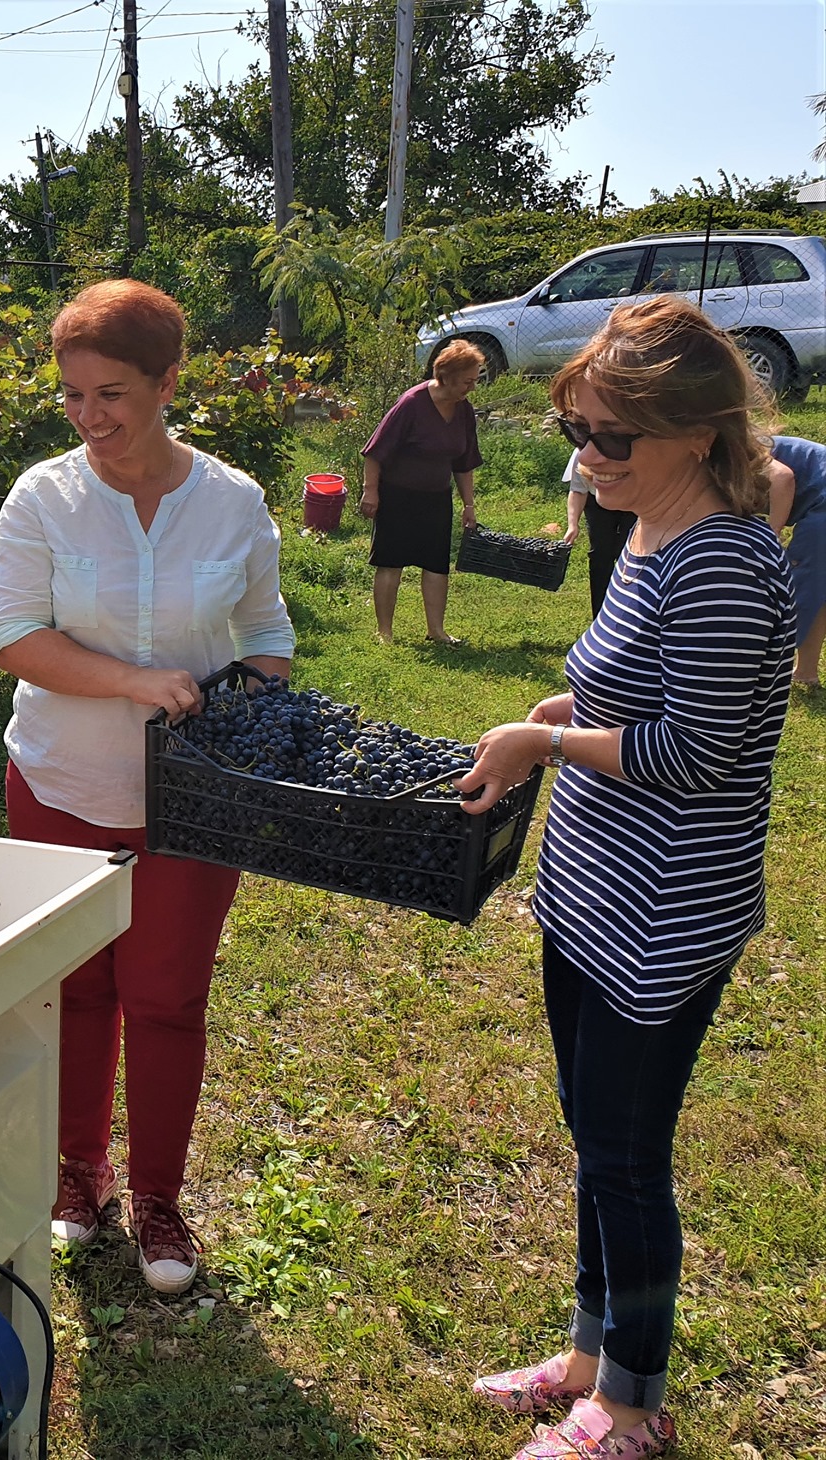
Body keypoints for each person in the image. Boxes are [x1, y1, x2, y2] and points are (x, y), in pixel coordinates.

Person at [459, 295, 794, 1460]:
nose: (586, 455)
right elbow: (640, 690)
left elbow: (695, 752)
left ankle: (633, 1407)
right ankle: (587, 1357)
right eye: (576, 429)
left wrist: (543, 740)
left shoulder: (717, 561)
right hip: (594, 895)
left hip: (661, 912)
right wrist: (561, 705)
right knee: (593, 1136)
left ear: (696, 432)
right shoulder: (650, 527)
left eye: (611, 435)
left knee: (624, 1154)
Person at [0, 279, 295, 1295]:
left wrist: (246, 711)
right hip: (60, 782)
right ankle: (79, 1174)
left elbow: (265, 633)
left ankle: (160, 1196)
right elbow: (12, 637)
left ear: (167, 383)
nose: (89, 416)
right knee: (74, 985)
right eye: (72, 395)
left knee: (166, 997)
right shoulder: (44, 496)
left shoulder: (232, 503)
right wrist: (132, 681)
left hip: (191, 800)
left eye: (111, 393)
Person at [360, 339, 484, 644]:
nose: (472, 387)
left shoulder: (464, 410)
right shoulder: (412, 403)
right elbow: (375, 453)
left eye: (474, 381)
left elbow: (464, 462)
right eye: (467, 381)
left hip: (437, 498)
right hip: (398, 495)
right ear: (448, 376)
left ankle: (436, 631)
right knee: (391, 562)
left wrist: (468, 505)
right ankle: (384, 632)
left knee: (436, 564)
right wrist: (370, 492)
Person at [768, 434, 826, 688]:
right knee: (816, 587)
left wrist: (770, 537)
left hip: (822, 499)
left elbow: (782, 478)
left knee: (802, 586)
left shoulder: (735, 446)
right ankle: (806, 672)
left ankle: (766, 670)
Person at [560, 450, 636, 617]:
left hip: (632, 502)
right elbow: (578, 491)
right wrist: (572, 525)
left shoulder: (632, 453)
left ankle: (630, 612)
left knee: (629, 553)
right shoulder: (582, 456)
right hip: (597, 504)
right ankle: (600, 615)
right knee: (600, 555)